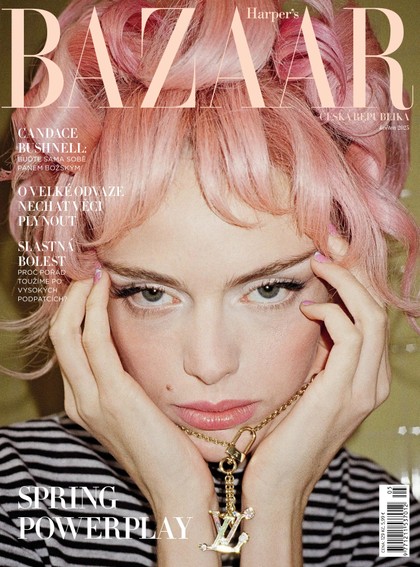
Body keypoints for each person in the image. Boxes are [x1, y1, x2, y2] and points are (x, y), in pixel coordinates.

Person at [0, 0, 419, 565]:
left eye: (269, 289)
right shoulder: (14, 499)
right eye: (150, 293)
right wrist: (180, 502)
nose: (210, 363)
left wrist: (276, 505)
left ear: (345, 290)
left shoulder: (390, 518)